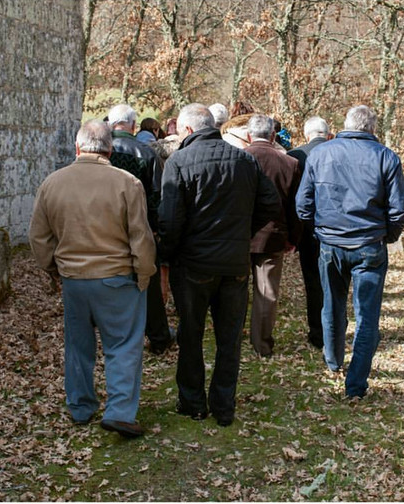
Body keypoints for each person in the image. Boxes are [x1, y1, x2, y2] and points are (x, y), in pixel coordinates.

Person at [29, 119, 156, 437]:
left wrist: (52, 270)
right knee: (124, 344)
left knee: (78, 345)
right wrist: (145, 273)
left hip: (73, 278)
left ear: (77, 147)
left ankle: (82, 406)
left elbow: (38, 238)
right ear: (110, 149)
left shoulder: (52, 183)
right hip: (117, 277)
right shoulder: (127, 183)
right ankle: (120, 411)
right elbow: (140, 237)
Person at [158, 103, 280, 427]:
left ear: (186, 131)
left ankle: (193, 401)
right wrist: (243, 233)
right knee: (229, 339)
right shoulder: (244, 160)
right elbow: (271, 203)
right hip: (233, 264)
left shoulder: (179, 161)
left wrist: (167, 254)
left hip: (194, 264)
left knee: (191, 333)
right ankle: (223, 406)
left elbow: (169, 220)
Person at [295, 105, 404, 399]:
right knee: (366, 316)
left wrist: (319, 231)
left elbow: (303, 205)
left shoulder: (320, 154)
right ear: (372, 128)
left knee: (331, 305)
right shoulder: (386, 157)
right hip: (367, 245)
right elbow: (399, 211)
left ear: (345, 125)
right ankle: (354, 383)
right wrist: (387, 236)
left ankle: (335, 364)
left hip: (335, 244)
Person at [108, 104, 174, 355]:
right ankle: (158, 335)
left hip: (104, 225)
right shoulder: (145, 152)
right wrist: (156, 229)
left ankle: (117, 332)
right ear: (133, 126)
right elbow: (157, 195)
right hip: (140, 224)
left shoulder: (101, 149)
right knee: (148, 281)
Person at [244, 114, 302, 357]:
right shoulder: (289, 163)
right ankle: (262, 344)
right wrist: (294, 238)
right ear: (273, 135)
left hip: (238, 235)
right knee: (266, 292)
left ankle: (232, 338)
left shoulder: (238, 159)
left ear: (248, 135)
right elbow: (296, 207)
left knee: (235, 292)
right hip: (273, 235)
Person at [287, 116, 332, 350]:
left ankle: (317, 333)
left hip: (307, 228)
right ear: (328, 133)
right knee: (335, 282)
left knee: (313, 282)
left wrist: (293, 232)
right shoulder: (339, 152)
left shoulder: (295, 156)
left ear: (306, 135)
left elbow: (292, 197)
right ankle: (335, 329)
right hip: (336, 226)